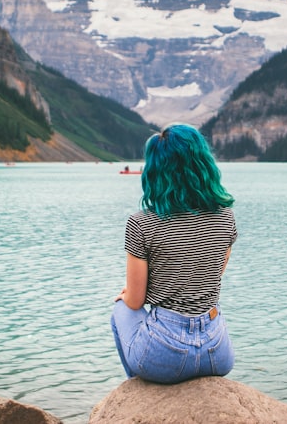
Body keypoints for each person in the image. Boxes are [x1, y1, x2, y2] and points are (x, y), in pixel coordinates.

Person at [111, 123, 237, 384]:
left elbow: (136, 302)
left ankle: (138, 396)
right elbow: (213, 274)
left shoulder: (141, 223)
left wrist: (126, 295)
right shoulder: (226, 217)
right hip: (218, 352)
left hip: (165, 353)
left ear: (155, 170)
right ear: (203, 163)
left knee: (121, 311)